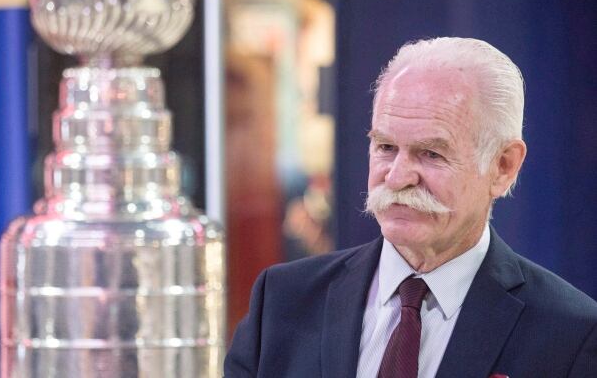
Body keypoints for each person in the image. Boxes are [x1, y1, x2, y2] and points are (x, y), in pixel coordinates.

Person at [224, 37, 597, 378]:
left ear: (503, 166)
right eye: (385, 148)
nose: (398, 177)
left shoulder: (570, 334)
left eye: (431, 154)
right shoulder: (283, 301)